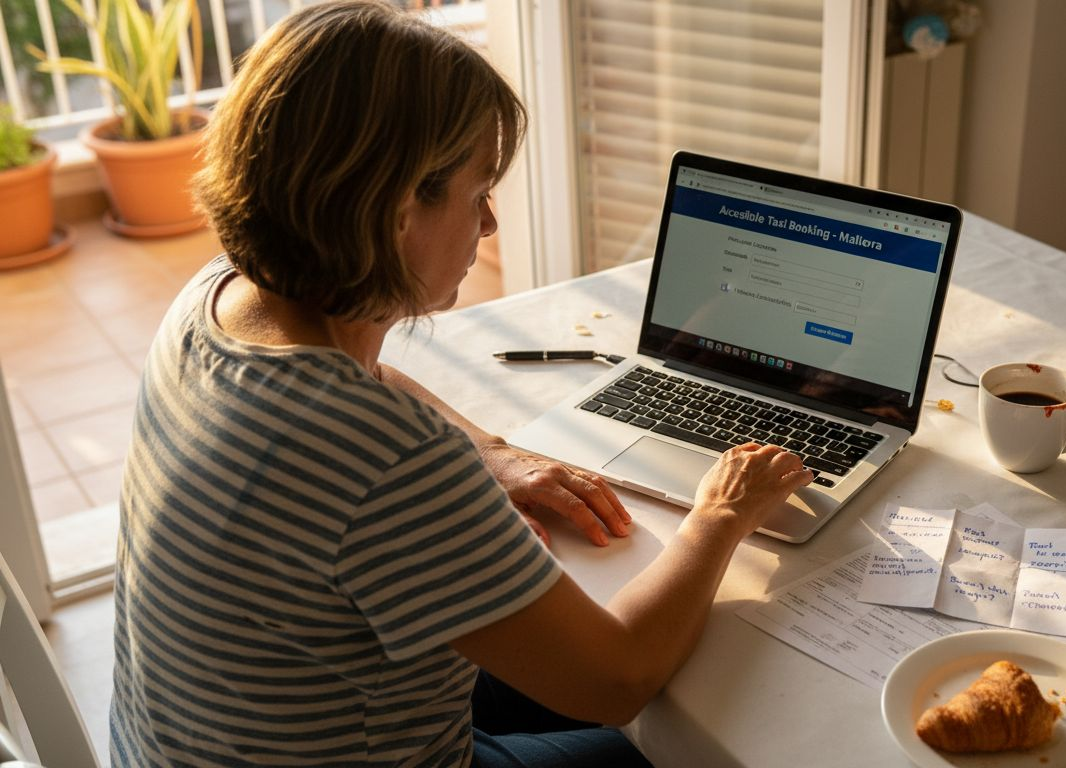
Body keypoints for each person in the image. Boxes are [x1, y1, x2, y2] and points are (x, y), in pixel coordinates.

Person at [109, 2, 813, 766]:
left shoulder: (219, 301)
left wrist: (496, 453)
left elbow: (369, 383)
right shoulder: (385, 458)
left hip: (200, 739)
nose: (489, 226)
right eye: (480, 193)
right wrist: (720, 514)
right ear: (400, 207)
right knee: (663, 743)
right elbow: (617, 678)